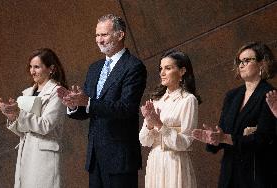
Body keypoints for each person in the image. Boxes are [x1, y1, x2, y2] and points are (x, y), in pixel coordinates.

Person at [57, 14, 147, 188]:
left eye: (104, 35)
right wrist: (74, 105)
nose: (99, 40)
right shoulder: (94, 68)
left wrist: (88, 102)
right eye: (97, 35)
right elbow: (89, 109)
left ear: (120, 35)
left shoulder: (133, 66)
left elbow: (126, 108)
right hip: (95, 157)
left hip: (120, 157)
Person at [192, 42, 277, 188]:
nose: (241, 65)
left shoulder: (270, 95)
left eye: (247, 60)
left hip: (257, 174)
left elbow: (263, 138)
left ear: (262, 64)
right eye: (239, 61)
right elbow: (223, 132)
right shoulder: (232, 96)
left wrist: (226, 138)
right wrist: (214, 138)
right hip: (229, 174)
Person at [0, 48, 67, 188]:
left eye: (37, 67)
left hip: (44, 156)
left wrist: (20, 114)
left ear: (51, 68)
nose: (32, 71)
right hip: (26, 152)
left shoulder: (58, 92)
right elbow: (24, 130)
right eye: (30, 67)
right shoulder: (27, 93)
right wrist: (12, 116)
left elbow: (46, 125)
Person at [139, 49, 199, 188]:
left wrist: (159, 125)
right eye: (161, 68)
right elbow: (145, 141)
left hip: (175, 163)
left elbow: (185, 142)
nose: (162, 73)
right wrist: (148, 123)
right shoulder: (156, 101)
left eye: (168, 68)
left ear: (182, 71)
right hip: (155, 161)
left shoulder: (188, 100)